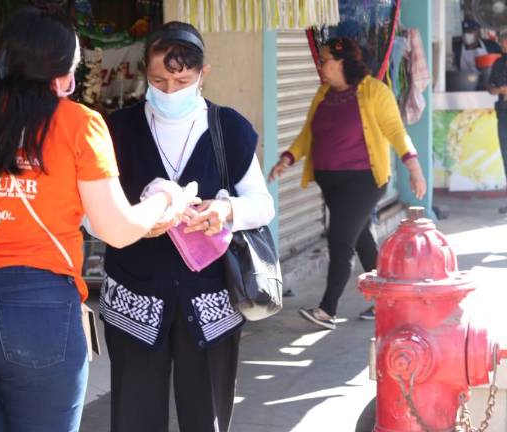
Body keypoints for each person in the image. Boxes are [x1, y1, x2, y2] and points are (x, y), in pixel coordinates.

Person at [0, 8, 195, 432]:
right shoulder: (79, 124)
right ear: (64, 75)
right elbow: (117, 230)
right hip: (39, 311)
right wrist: (165, 200)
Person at [98, 22, 275, 432]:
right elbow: (92, 215)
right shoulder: (117, 129)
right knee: (134, 415)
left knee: (205, 415)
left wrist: (225, 210)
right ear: (145, 71)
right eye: (159, 80)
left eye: (182, 80)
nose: (171, 91)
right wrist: (134, 225)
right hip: (133, 298)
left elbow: (262, 205)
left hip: (210, 301)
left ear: (203, 74)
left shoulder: (228, 128)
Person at [268, 37, 426, 330]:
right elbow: (307, 134)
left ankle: (328, 309)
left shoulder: (374, 91)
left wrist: (414, 167)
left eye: (325, 59)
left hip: (364, 181)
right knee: (361, 236)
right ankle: (389, 300)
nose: (320, 65)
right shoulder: (323, 93)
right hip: (331, 183)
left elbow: (396, 131)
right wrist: (287, 159)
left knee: (340, 240)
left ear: (342, 61)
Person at [487, 31, 507, 215]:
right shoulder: (499, 63)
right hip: (503, 112)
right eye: (503, 42)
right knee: (506, 155)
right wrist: (496, 90)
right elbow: (490, 86)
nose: (504, 45)